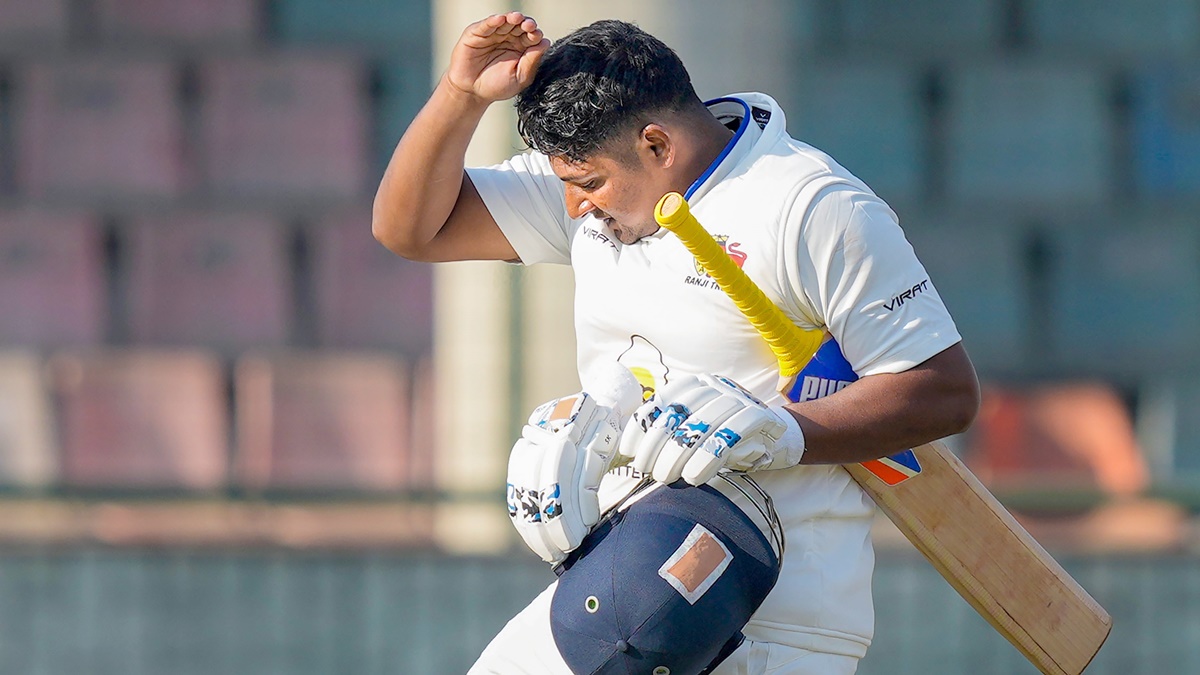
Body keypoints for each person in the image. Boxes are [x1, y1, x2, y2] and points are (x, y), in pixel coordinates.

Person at [373, 12, 981, 675]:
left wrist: (782, 430)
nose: (574, 206)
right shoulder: (596, 193)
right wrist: (458, 97)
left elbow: (943, 392)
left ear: (657, 144)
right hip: (614, 583)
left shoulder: (811, 206)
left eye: (588, 183)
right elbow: (412, 229)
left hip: (773, 619)